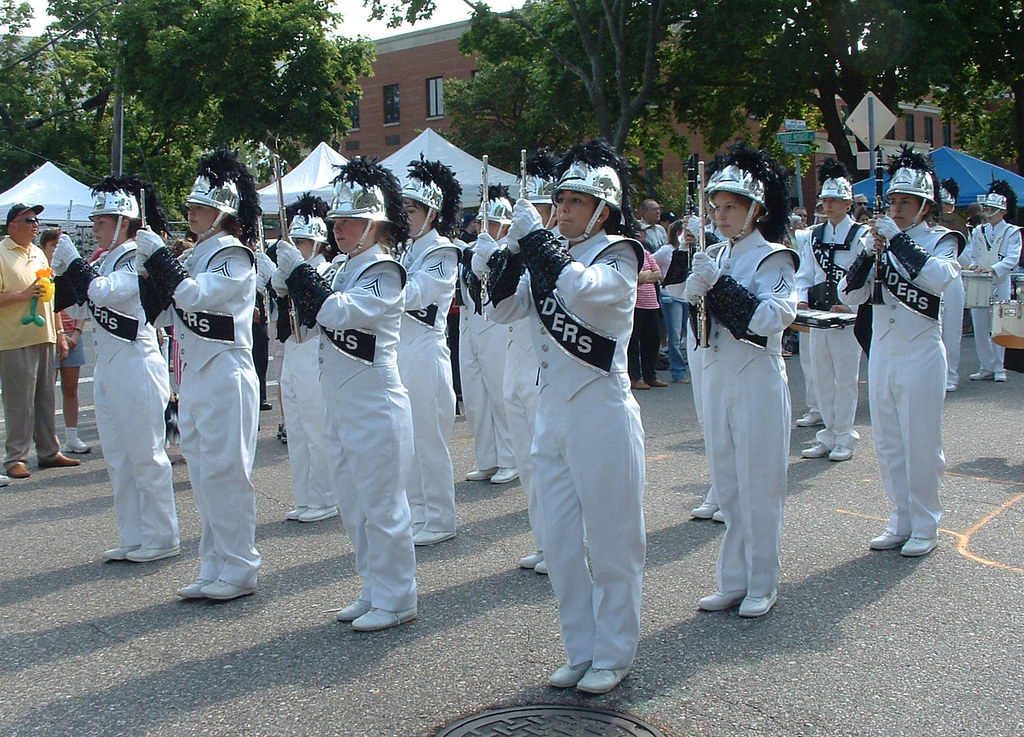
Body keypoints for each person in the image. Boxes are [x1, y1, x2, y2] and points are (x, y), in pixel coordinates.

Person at [478, 140, 646, 695]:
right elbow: (501, 308)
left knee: (612, 539)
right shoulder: (549, 252)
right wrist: (508, 255)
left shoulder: (618, 253)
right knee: (559, 541)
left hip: (601, 410)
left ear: (603, 209)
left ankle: (615, 650)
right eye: (560, 200)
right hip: (551, 412)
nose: (565, 209)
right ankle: (580, 647)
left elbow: (585, 290)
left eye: (577, 201)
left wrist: (540, 244)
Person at [274, 157, 418, 631]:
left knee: (382, 505)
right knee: (354, 505)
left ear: (375, 224)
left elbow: (336, 313)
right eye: (337, 220)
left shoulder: (386, 271)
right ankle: (373, 586)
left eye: (352, 219)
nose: (339, 228)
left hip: (375, 402)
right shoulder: (343, 268)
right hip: (340, 401)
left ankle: (398, 597)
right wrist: (281, 276)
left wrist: (299, 274)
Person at [135, 147, 262, 599]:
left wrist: (161, 262)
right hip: (196, 372)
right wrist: (147, 271)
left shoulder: (234, 256)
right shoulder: (198, 254)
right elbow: (168, 314)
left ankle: (241, 565)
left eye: (199, 204)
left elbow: (194, 297)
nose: (189, 209)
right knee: (204, 473)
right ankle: (214, 563)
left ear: (221, 211)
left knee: (228, 473)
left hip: (227, 368)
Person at [682, 143, 797, 619]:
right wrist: (695, 294)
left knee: (758, 484)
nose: (721, 215)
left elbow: (773, 317)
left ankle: (762, 582)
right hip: (718, 375)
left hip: (756, 376)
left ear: (756, 209)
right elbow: (703, 323)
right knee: (727, 483)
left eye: (731, 207)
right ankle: (733, 579)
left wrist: (718, 285)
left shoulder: (775, 258)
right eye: (717, 206)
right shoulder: (715, 253)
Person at [50, 174, 180, 563]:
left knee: (145, 454)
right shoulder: (105, 259)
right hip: (108, 361)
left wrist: (75, 263)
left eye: (101, 221)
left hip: (136, 361)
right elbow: (76, 306)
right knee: (118, 457)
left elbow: (106, 292)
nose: (95, 227)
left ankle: (162, 535)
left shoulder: (136, 257)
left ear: (124, 222)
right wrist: (62, 273)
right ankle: (133, 534)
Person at [839, 147, 960, 558]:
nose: (897, 208)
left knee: (921, 442)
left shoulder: (942, 240)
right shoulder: (880, 240)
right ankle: (900, 517)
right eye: (893, 201)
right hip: (885, 349)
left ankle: (926, 523)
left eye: (906, 202)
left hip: (921, 349)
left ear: (925, 207)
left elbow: (939, 278)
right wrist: (869, 255)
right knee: (889, 441)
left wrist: (897, 240)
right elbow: (848, 293)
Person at [396, 157, 463, 546]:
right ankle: (417, 511)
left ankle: (440, 516)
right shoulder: (407, 250)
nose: (404, 217)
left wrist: (379, 284)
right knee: (408, 438)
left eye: (411, 210)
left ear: (431, 213)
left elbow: (418, 293)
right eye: (402, 210)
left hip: (425, 348)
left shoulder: (442, 251)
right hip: (400, 349)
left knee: (429, 439)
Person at [793, 159, 868, 463]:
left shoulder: (862, 235)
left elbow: (864, 274)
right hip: (819, 313)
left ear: (849, 203)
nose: (829, 204)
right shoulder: (811, 236)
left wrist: (850, 303)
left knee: (846, 377)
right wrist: (800, 298)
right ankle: (828, 433)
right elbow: (806, 273)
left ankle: (845, 434)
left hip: (847, 315)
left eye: (835, 199)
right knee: (820, 375)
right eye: (825, 199)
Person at [0, 203, 81, 480]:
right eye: (29, 220)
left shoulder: (38, 253)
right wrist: (22, 295)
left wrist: (59, 333)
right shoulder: (1, 253)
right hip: (14, 338)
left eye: (37, 220)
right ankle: (15, 458)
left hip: (44, 334)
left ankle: (48, 451)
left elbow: (51, 298)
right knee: (19, 401)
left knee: (46, 397)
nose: (36, 224)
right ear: (13, 225)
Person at [276, 194, 337, 523]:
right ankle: (306, 495)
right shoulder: (289, 271)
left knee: (316, 428)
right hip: (293, 349)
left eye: (302, 241)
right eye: (294, 240)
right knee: (297, 428)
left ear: (317, 243)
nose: (297, 246)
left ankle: (326, 496)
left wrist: (293, 279)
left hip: (315, 351)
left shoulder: (326, 271)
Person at [459, 184, 517, 485]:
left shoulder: (509, 250)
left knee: (499, 393)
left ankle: (510, 457)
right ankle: (487, 457)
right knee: (474, 397)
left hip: (495, 326)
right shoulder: (470, 249)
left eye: (493, 222)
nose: (487, 228)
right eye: (483, 222)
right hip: (469, 325)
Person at [963, 181, 1021, 383]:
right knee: (980, 326)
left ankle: (999, 366)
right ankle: (986, 365)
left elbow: (1012, 258)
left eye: (994, 210)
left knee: (999, 325)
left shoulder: (1012, 231)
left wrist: (994, 269)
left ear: (1003, 211)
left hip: (1001, 281)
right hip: (980, 281)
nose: (990, 213)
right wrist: (974, 266)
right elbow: (971, 254)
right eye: (988, 209)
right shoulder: (978, 231)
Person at [39, 228, 91, 455]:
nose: (57, 249)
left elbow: (84, 299)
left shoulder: (73, 271)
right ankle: (49, 441)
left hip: (73, 336)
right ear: (45, 248)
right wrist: (60, 334)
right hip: (50, 337)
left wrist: (77, 333)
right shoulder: (43, 272)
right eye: (53, 245)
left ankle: (72, 436)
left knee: (71, 390)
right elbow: (51, 306)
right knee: (47, 392)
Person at [653, 216, 694, 383]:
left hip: (688, 296)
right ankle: (678, 371)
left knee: (688, 333)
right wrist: (662, 278)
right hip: (671, 296)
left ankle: (687, 367)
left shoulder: (692, 249)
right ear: (678, 233)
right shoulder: (666, 250)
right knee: (674, 335)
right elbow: (650, 262)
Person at [938, 178, 967, 391]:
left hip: (953, 278)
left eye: (948, 205)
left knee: (952, 329)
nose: (946, 209)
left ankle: (951, 374)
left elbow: (967, 259)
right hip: (932, 279)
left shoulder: (959, 228)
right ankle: (936, 372)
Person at [628, 244, 666, 389]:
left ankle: (650, 376)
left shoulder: (646, 253)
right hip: (635, 303)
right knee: (633, 342)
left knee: (653, 339)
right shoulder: (628, 254)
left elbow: (659, 274)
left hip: (652, 303)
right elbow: (631, 277)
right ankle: (635, 377)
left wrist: (644, 276)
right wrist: (645, 276)